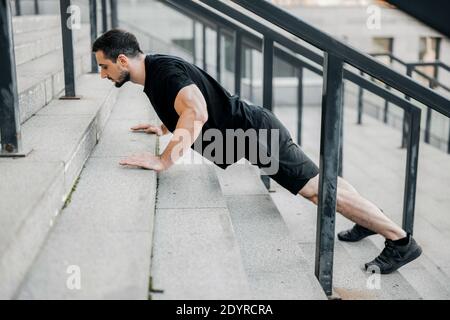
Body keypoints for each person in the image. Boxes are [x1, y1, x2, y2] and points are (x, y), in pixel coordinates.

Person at [92, 29, 422, 274]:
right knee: (319, 182)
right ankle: (369, 220)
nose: (103, 75)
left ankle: (400, 241)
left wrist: (165, 159)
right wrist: (165, 126)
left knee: (314, 190)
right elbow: (188, 105)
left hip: (253, 135)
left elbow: (197, 111)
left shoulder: (164, 72)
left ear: (122, 59)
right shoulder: (156, 70)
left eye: (105, 67)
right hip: (249, 133)